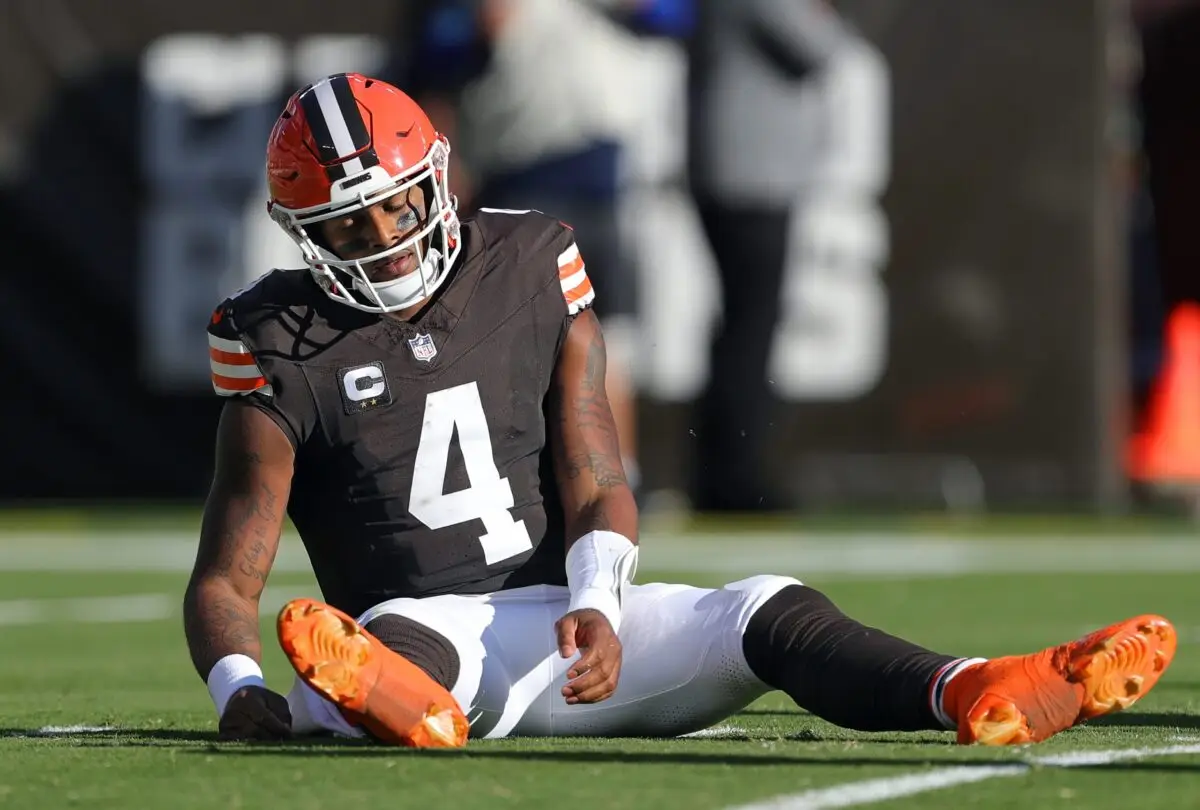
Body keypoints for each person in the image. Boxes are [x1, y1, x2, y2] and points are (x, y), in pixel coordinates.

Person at [182, 73, 1176, 748]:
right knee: (375, 645)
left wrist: (599, 604)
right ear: (302, 233)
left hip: (566, 623)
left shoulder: (529, 260)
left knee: (764, 606)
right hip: (424, 631)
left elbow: (595, 469)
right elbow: (231, 569)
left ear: (436, 180)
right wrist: (240, 693)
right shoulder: (274, 337)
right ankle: (367, 707)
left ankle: (974, 685)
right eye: (347, 226)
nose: (383, 241)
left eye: (394, 208)